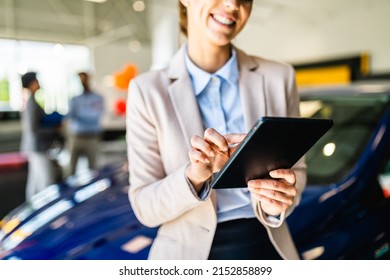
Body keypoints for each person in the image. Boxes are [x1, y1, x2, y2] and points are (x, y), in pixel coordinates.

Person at [126, 0, 307, 260]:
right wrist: (193, 176)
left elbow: (296, 170)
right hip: (184, 255)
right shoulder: (147, 91)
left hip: (267, 245)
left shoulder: (279, 77)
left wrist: (278, 201)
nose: (233, 4)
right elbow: (145, 207)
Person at [20, 72, 60, 201]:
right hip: (37, 146)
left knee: (35, 179)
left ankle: (32, 206)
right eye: (36, 81)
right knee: (46, 178)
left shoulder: (30, 100)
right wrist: (53, 130)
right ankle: (45, 206)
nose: (38, 83)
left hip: (35, 145)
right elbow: (33, 128)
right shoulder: (31, 102)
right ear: (31, 84)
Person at [67, 72, 104, 176]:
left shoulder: (97, 98)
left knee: (93, 170)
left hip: (92, 137)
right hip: (76, 137)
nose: (83, 82)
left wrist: (78, 114)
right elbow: (70, 115)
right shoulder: (74, 99)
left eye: (84, 79)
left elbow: (94, 116)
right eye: (80, 80)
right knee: (71, 170)